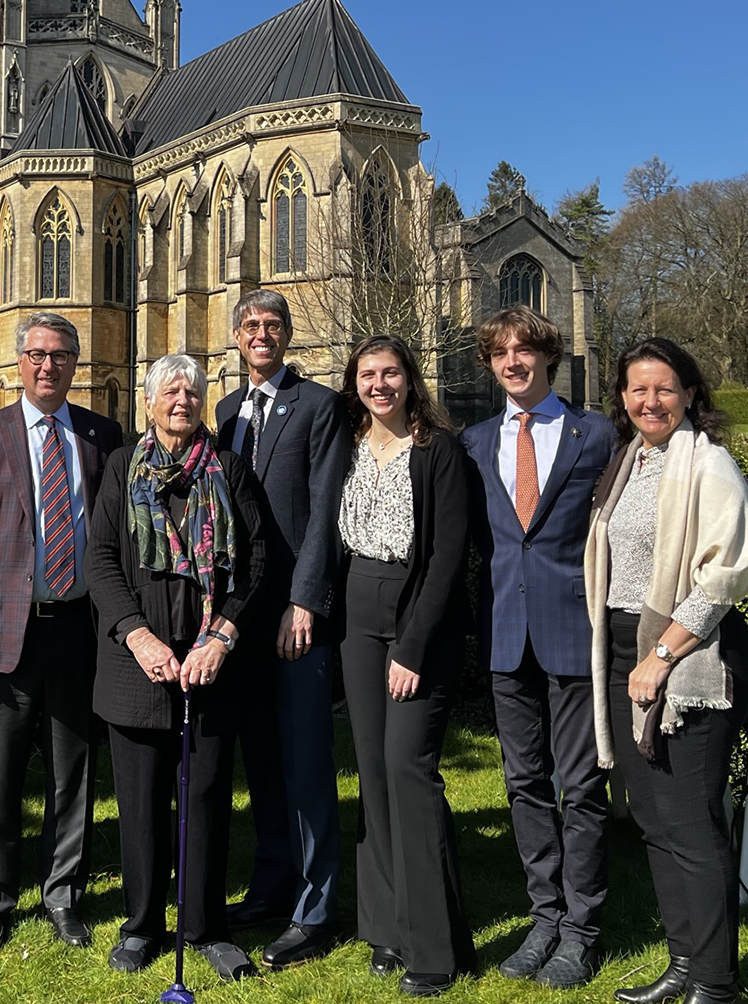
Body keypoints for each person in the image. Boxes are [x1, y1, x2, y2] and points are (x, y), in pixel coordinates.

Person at [0, 312, 124, 958]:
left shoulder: (101, 436)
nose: (49, 365)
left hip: (78, 629)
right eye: (38, 354)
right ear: (19, 362)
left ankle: (62, 894)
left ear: (76, 362)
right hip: (0, 635)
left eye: (62, 354)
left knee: (74, 771)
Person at [586, 338, 748, 1004]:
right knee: (656, 822)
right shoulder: (629, 461)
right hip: (624, 650)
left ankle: (716, 983)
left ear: (690, 393)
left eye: (664, 388)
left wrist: (662, 656)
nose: (650, 401)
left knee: (691, 821)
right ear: (622, 397)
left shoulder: (709, 464)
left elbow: (725, 576)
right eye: (638, 388)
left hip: (691, 658)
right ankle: (684, 963)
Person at [87, 353, 269, 983]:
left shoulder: (229, 469)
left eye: (191, 391)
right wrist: (137, 636)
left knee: (206, 799)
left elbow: (255, 563)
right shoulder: (121, 467)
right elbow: (101, 559)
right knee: (139, 805)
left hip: (210, 666)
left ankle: (206, 928)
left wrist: (220, 638)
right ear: (148, 403)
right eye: (169, 391)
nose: (182, 400)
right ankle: (142, 925)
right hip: (135, 666)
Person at [459, 306, 618, 989]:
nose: (513, 362)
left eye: (524, 350)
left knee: (579, 787)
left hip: (574, 630)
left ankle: (582, 931)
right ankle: (545, 918)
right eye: (500, 353)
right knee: (524, 783)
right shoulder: (473, 442)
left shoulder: (597, 434)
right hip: (504, 633)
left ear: (548, 355)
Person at [211, 290, 348, 968]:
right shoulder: (226, 412)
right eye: (250, 325)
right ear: (237, 336)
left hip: (296, 617)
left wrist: (306, 602)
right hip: (243, 616)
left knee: (306, 763)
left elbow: (325, 512)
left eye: (272, 325)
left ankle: (314, 908)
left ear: (288, 335)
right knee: (261, 760)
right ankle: (270, 885)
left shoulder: (318, 406)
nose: (261, 334)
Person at [338, 334, 477, 997]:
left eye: (390, 372)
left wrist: (413, 648)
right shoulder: (349, 444)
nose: (379, 384)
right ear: (355, 383)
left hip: (416, 615)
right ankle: (386, 929)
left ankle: (436, 948)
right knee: (372, 773)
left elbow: (448, 556)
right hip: (355, 618)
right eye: (368, 374)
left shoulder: (438, 449)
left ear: (410, 378)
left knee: (408, 771)